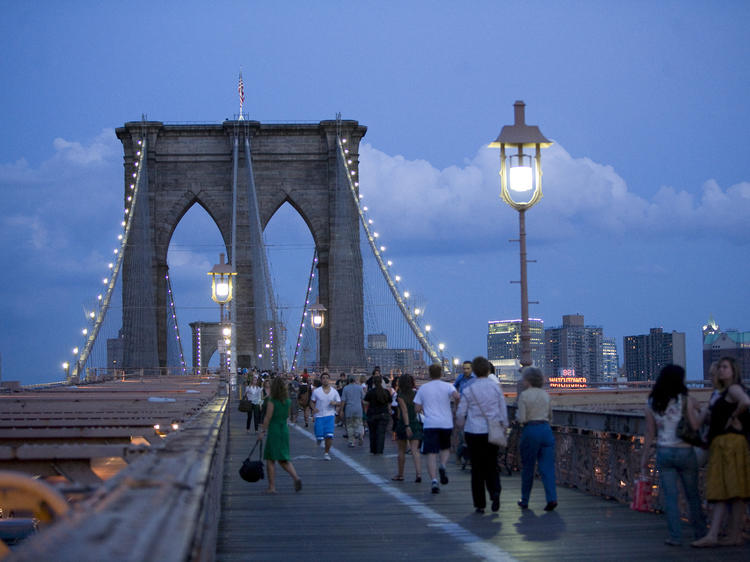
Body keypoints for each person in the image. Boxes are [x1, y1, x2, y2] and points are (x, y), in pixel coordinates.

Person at [641, 364, 706, 546]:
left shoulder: (652, 402)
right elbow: (694, 426)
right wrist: (704, 413)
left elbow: (649, 432)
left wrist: (644, 457)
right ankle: (700, 533)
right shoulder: (686, 400)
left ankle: (675, 536)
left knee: (670, 496)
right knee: (692, 494)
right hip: (685, 451)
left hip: (664, 451)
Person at [691, 356, 750, 548]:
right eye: (720, 368)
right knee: (731, 491)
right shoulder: (720, 394)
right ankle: (731, 534)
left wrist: (733, 416)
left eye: (725, 367)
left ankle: (721, 534)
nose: (720, 371)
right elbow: (699, 423)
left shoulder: (733, 389)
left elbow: (746, 402)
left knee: (731, 490)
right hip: (723, 445)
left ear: (733, 370)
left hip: (730, 445)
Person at [456, 356, 508, 514]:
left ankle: (480, 504)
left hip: (473, 431)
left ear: (475, 371)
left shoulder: (469, 388)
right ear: (487, 370)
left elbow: (461, 412)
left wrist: (460, 426)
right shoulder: (495, 388)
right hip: (491, 431)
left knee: (477, 468)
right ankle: (495, 491)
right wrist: (504, 426)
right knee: (491, 464)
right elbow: (502, 409)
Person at [516, 367, 557, 511]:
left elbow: (522, 418)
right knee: (547, 467)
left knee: (528, 467)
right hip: (546, 430)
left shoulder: (524, 396)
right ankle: (551, 498)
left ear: (527, 380)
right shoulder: (546, 395)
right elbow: (551, 416)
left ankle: (525, 499)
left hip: (531, 430)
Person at [415, 363, 460, 494]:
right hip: (446, 423)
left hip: (430, 424)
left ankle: (434, 481)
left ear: (429, 374)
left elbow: (417, 408)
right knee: (445, 448)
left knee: (431, 454)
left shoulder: (423, 388)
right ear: (441, 374)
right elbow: (457, 396)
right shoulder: (448, 386)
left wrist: (424, 408)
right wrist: (456, 408)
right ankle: (443, 465)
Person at [258, 376, 302, 494]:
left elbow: (268, 417)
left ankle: (272, 487)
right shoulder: (287, 401)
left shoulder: (272, 400)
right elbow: (287, 416)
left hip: (274, 430)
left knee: (270, 459)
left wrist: (262, 431)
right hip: (284, 430)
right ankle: (296, 477)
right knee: (283, 458)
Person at [393, 374, 423, 482]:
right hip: (415, 423)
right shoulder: (415, 394)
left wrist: (407, 426)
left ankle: (400, 475)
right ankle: (418, 474)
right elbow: (418, 409)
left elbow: (404, 411)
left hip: (403, 425)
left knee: (401, 450)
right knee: (415, 450)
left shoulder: (400, 395)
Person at [311, 373, 341, 460]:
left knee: (329, 436)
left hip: (330, 416)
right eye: (323, 378)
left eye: (327, 378)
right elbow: (312, 401)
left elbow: (339, 402)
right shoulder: (316, 391)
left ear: (329, 380)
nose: (325, 379)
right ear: (321, 380)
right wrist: (313, 408)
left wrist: (335, 403)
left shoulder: (334, 392)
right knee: (320, 436)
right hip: (319, 416)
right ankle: (319, 439)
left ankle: (326, 453)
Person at [364, 375, 391, 454]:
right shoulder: (386, 392)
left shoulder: (370, 392)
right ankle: (380, 449)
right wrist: (388, 410)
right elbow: (389, 402)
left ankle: (373, 449)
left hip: (372, 414)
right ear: (381, 382)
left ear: (373, 383)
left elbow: (365, 402)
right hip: (383, 414)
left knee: (372, 433)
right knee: (381, 433)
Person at [340, 375, 365, 447]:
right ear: (355, 380)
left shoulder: (346, 388)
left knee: (350, 425)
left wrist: (341, 410)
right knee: (359, 423)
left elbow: (343, 400)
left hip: (349, 408)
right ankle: (360, 434)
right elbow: (363, 399)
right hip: (358, 408)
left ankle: (351, 442)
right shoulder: (360, 388)